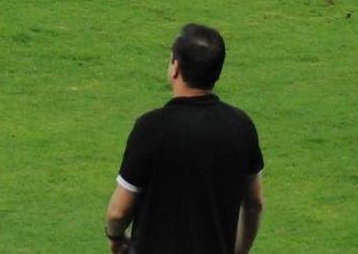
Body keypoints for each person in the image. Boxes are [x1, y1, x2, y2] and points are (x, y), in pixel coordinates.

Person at [104, 24, 265, 253]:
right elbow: (254, 203)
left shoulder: (151, 128)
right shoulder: (241, 126)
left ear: (176, 67)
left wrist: (115, 236)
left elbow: (118, 211)